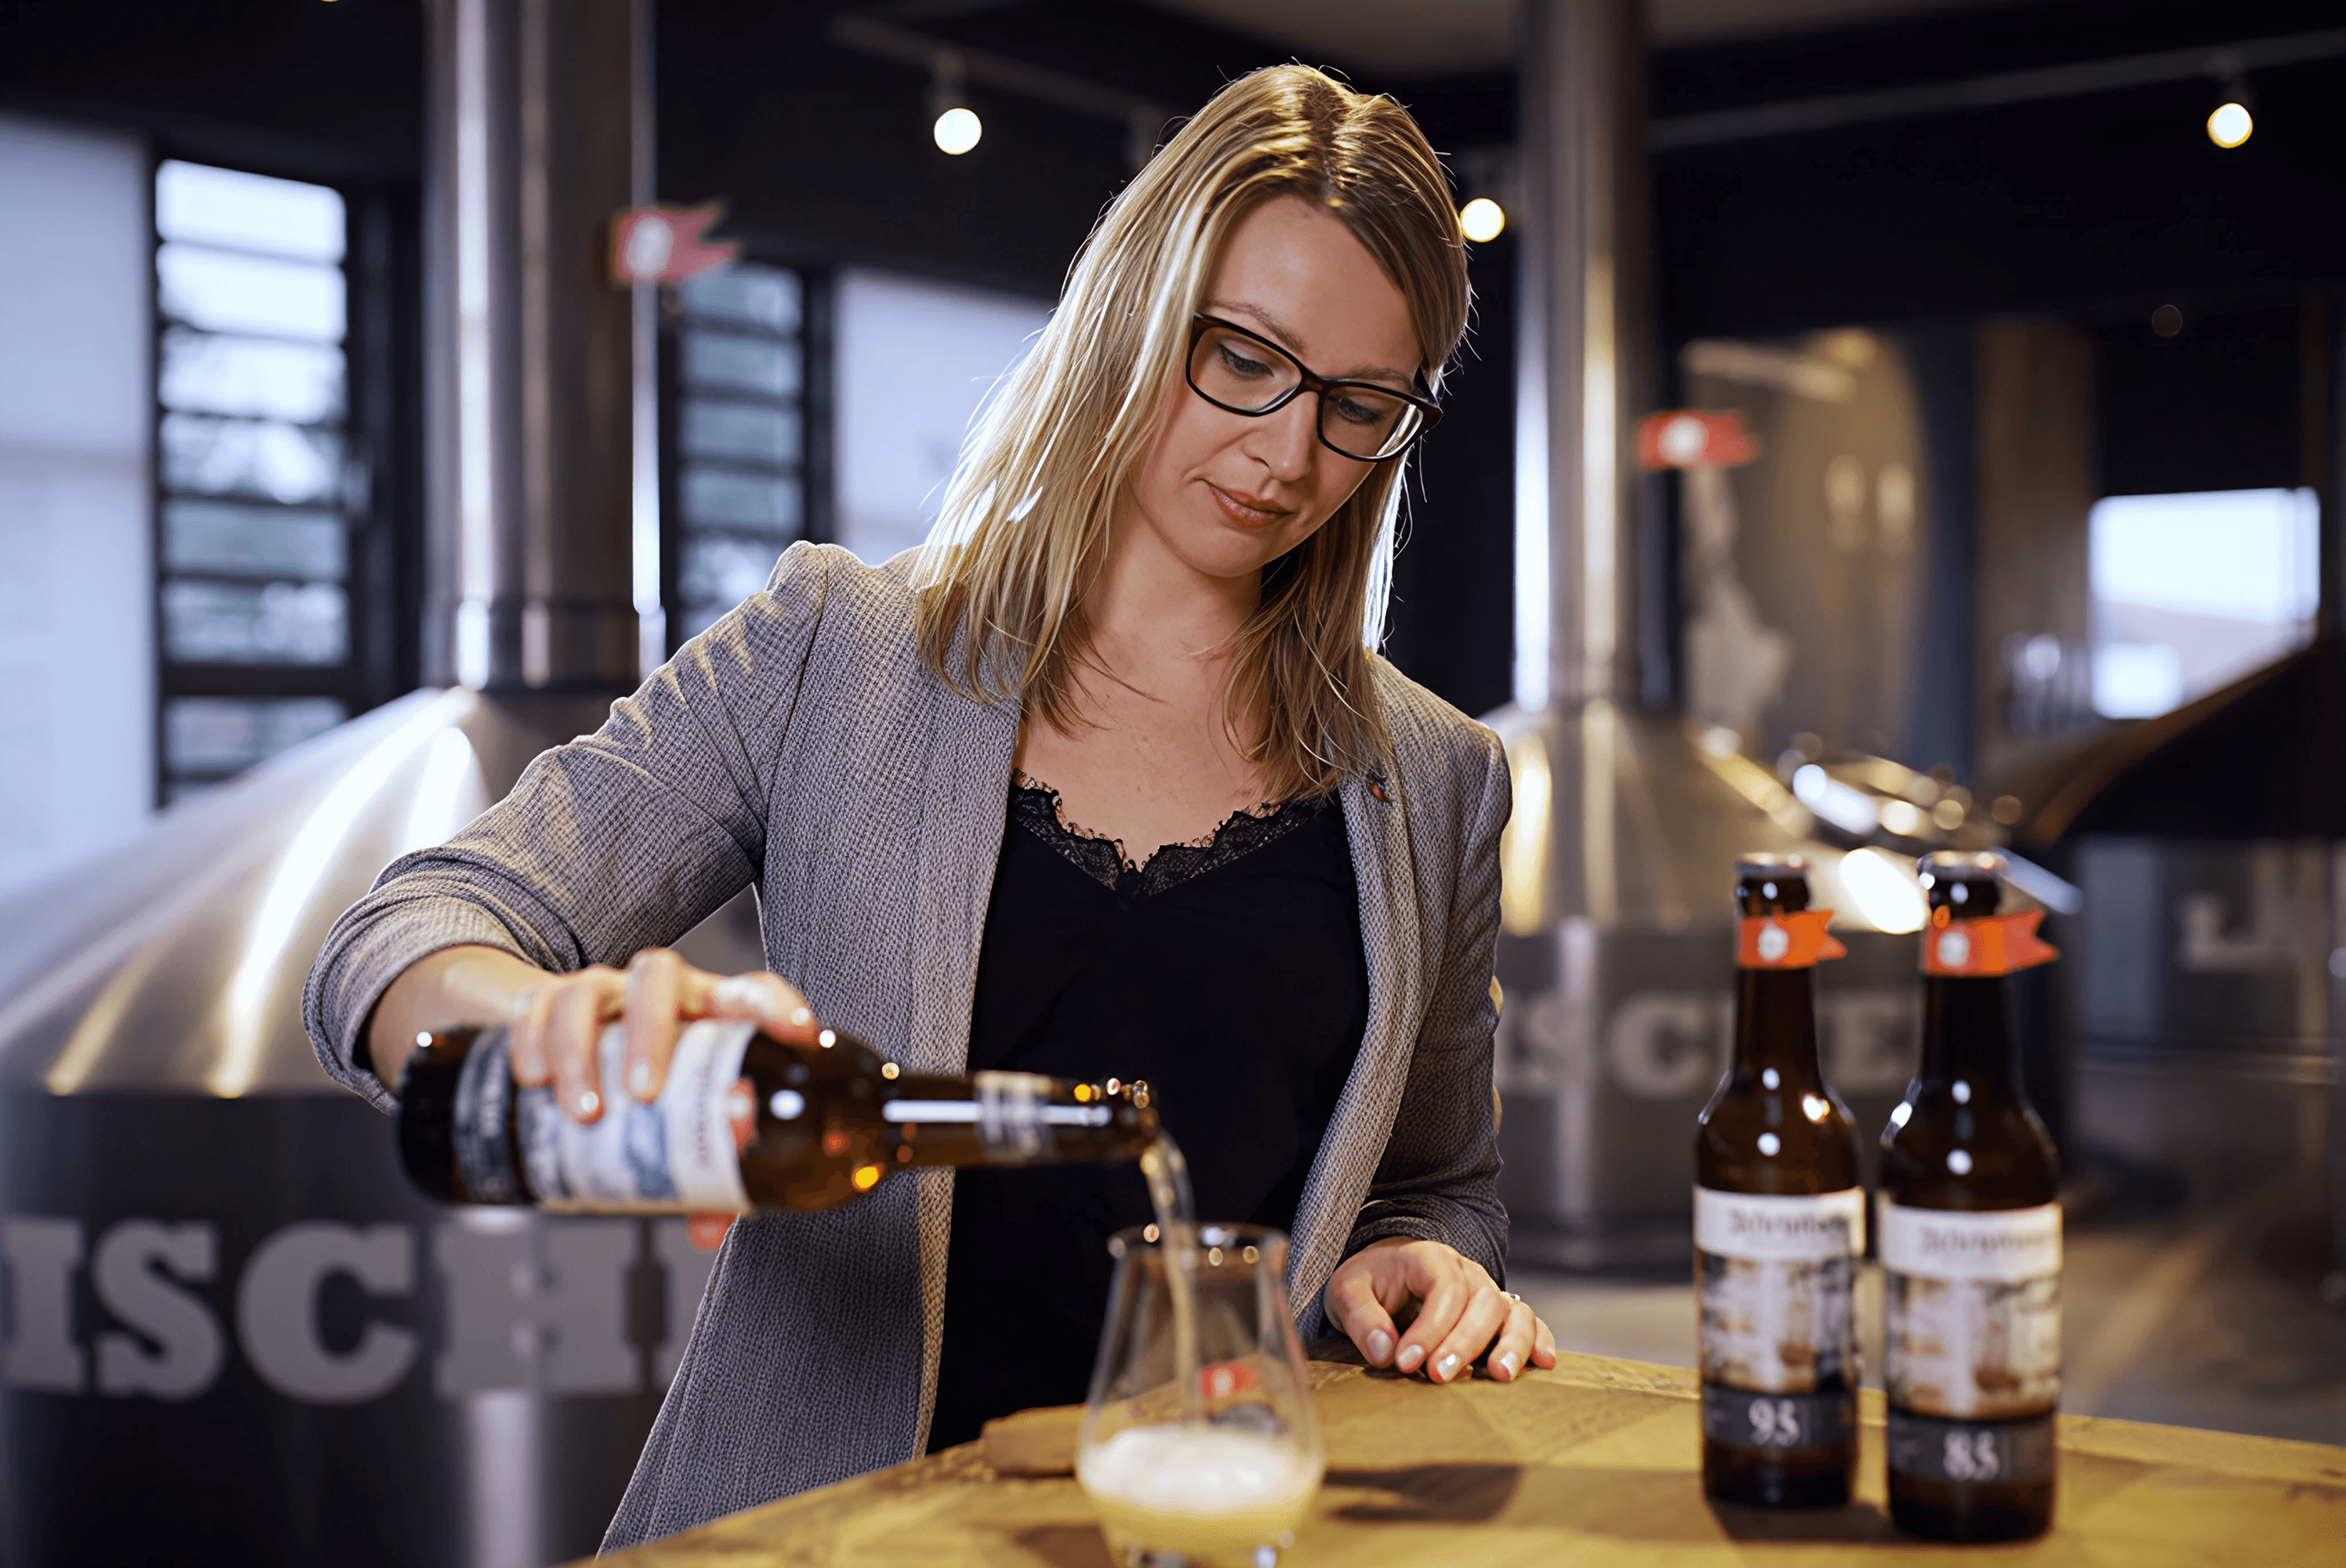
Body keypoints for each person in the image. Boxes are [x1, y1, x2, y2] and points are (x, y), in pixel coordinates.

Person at [304, 62, 1555, 1549]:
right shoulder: (838, 650)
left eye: (1361, 408)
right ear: (1134, 317)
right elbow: (399, 940)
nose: (1291, 455)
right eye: (1243, 359)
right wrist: (528, 1027)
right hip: (833, 1532)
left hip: (1210, 1523)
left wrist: (1418, 1261)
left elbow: (1436, 1187)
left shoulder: (1433, 777)